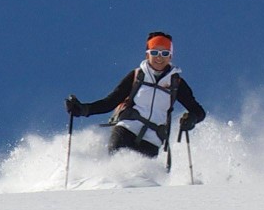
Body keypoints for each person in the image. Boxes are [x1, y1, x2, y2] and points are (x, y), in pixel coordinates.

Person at [65, 31, 207, 159]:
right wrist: (83, 109)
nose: (159, 57)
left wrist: (192, 118)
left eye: (164, 53)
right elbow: (111, 101)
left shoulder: (176, 83)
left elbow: (198, 111)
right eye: (154, 52)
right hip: (126, 129)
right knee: (115, 166)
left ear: (170, 56)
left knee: (141, 179)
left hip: (153, 138)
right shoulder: (137, 76)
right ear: (147, 54)